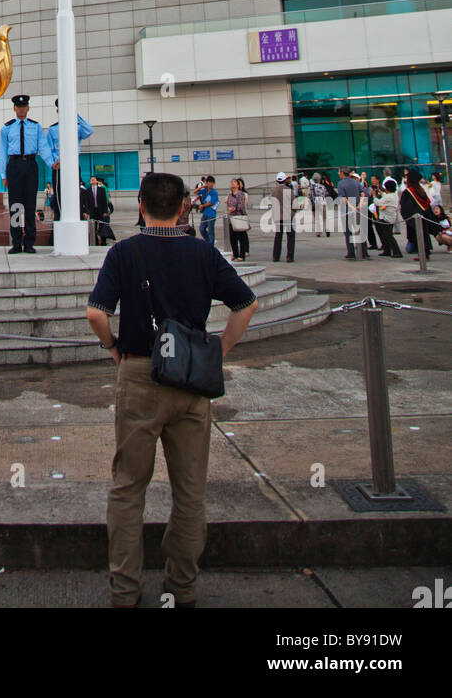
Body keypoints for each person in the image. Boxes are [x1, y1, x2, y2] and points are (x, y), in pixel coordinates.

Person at [86, 171, 257, 609]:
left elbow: (96, 314)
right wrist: (218, 349)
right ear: (183, 207)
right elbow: (246, 303)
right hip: (191, 380)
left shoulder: (124, 253)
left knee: (128, 488)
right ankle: (182, 587)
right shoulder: (203, 253)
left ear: (140, 205)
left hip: (140, 373)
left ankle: (124, 590)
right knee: (190, 491)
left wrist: (115, 351)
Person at [0, 94, 54, 254]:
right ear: (14, 108)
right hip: (14, 166)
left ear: (28, 108)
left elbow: (43, 147)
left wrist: (51, 162)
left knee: (30, 206)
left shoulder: (35, 127)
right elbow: (2, 152)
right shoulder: (7, 128)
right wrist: (3, 175)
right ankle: (16, 242)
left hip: (31, 165)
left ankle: (29, 242)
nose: (21, 110)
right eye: (19, 107)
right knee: (15, 206)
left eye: (24, 107)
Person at [47, 99, 94, 222]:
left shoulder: (77, 128)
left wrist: (75, 115)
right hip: (59, 167)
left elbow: (89, 131)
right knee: (59, 196)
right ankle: (58, 222)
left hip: (73, 165)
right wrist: (54, 162)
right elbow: (49, 149)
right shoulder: (53, 129)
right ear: (57, 111)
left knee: (74, 195)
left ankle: (76, 219)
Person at [338, 166, 370, 261]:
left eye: (339, 172)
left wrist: (351, 207)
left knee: (348, 232)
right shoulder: (355, 182)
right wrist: (359, 205)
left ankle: (351, 252)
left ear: (342, 173)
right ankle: (364, 252)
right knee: (360, 230)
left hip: (347, 211)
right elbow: (363, 193)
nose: (339, 174)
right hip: (358, 209)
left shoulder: (340, 184)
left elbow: (343, 198)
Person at [269, 171, 295, 262]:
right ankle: (289, 257)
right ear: (285, 180)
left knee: (278, 237)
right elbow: (294, 203)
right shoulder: (288, 190)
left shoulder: (274, 191)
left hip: (278, 216)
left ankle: (276, 256)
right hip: (288, 216)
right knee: (290, 237)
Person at [373, 179, 403, 258]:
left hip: (386, 218)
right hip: (390, 217)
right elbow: (385, 197)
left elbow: (378, 202)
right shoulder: (394, 195)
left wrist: (374, 196)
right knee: (386, 235)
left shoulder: (389, 197)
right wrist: (381, 193)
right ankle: (387, 250)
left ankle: (396, 251)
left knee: (389, 235)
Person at [225, 178, 249, 261]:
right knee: (232, 237)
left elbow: (241, 205)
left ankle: (241, 255)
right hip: (231, 218)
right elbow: (227, 205)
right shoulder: (229, 195)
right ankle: (235, 254)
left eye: (234, 182)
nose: (232, 183)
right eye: (231, 182)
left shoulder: (240, 194)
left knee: (241, 237)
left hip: (239, 217)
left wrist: (233, 209)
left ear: (238, 185)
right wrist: (229, 209)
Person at [88, 175, 115, 245]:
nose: (92, 181)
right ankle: (95, 241)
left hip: (101, 211)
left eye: (93, 179)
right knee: (93, 227)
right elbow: (87, 202)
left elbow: (104, 201)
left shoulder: (101, 190)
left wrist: (105, 211)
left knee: (102, 226)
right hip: (93, 211)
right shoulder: (88, 190)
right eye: (91, 180)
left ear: (96, 181)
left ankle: (103, 240)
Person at [197, 176, 218, 246]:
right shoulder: (205, 191)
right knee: (201, 229)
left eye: (212, 183)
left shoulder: (214, 192)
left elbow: (212, 202)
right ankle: (208, 242)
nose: (210, 184)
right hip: (205, 213)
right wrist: (202, 187)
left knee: (210, 231)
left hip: (211, 214)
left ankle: (211, 245)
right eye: (208, 182)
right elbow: (195, 191)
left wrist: (202, 206)